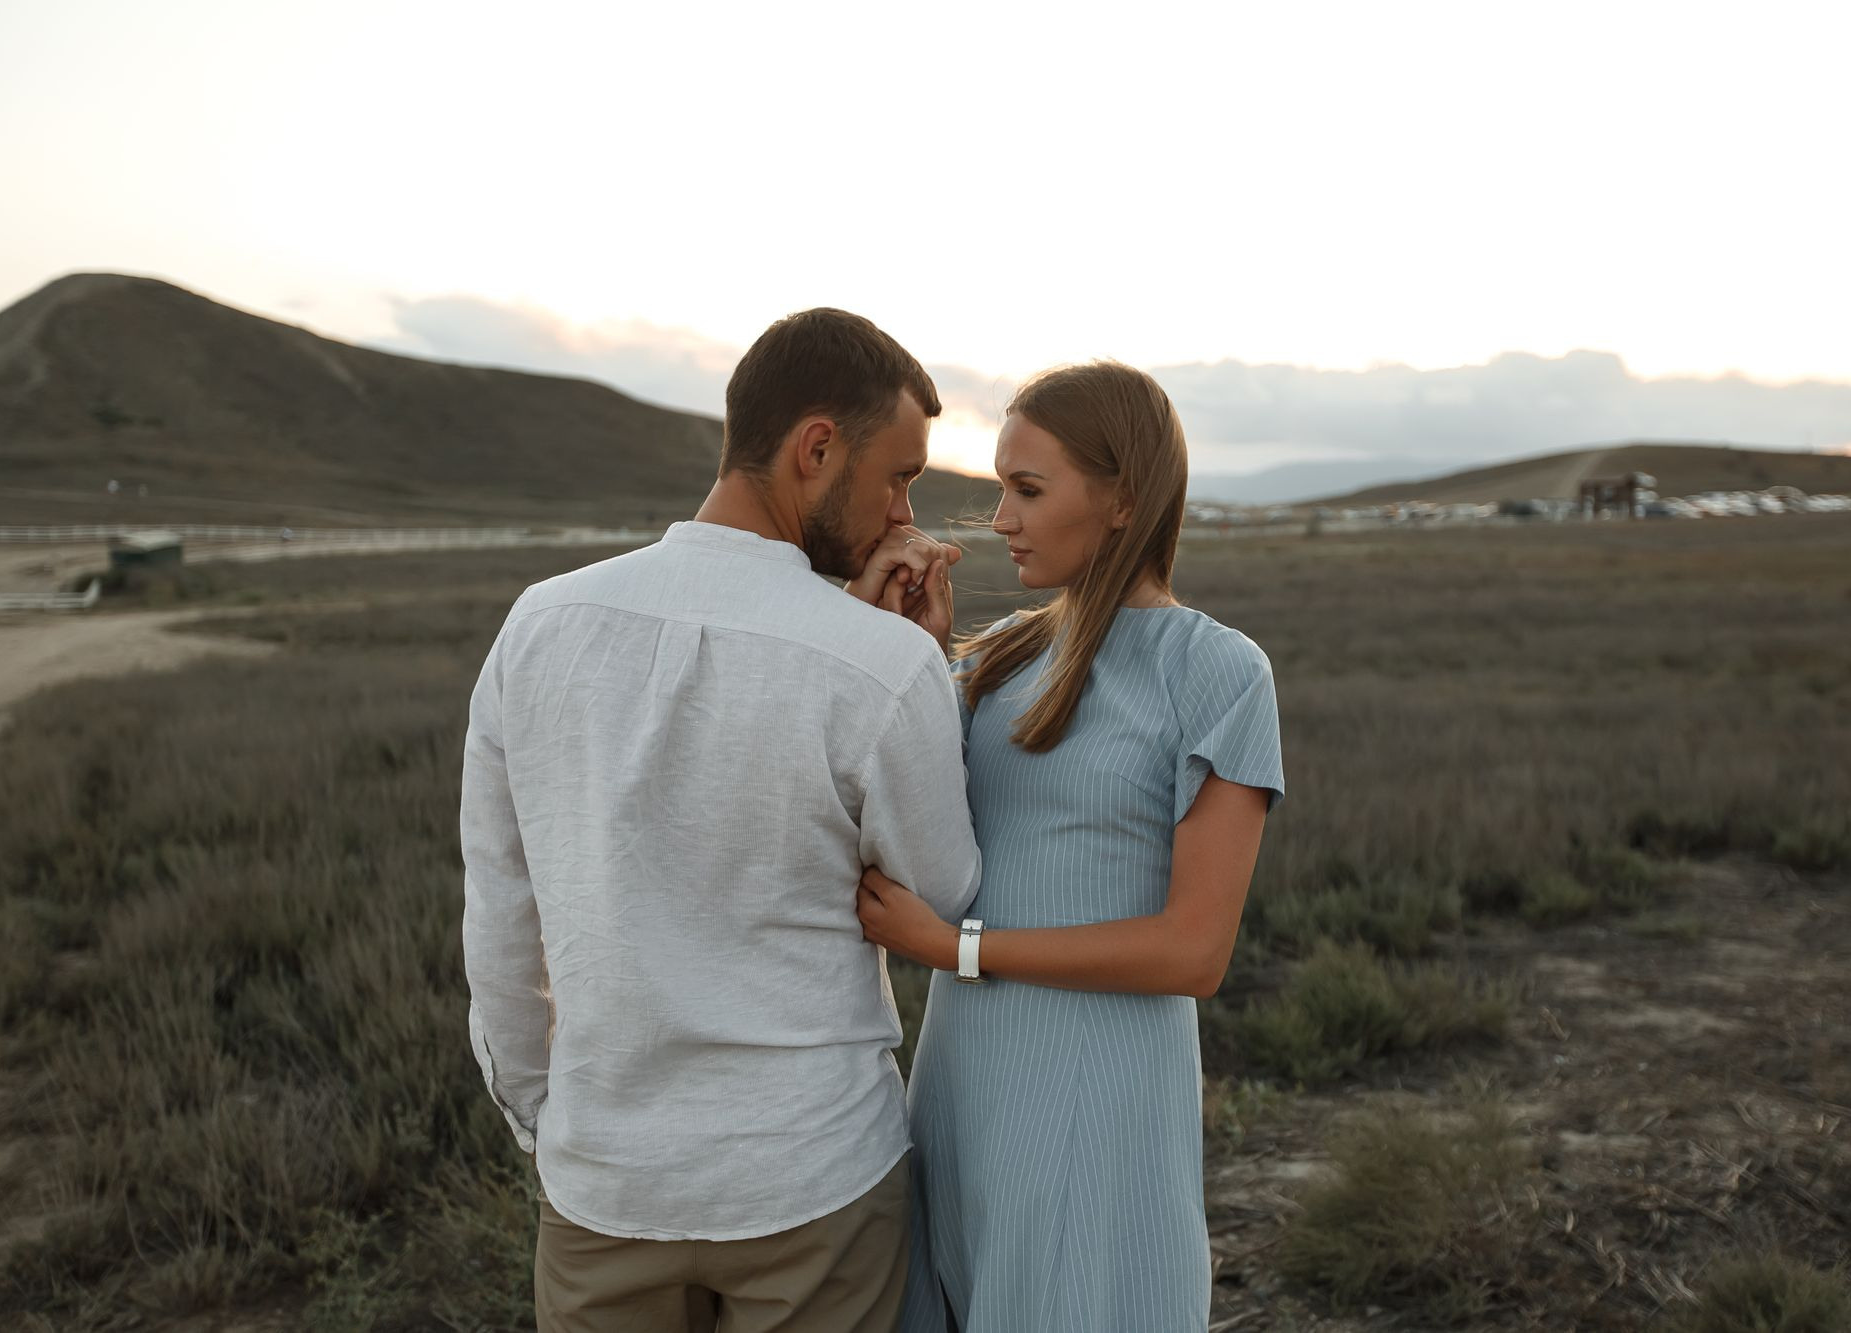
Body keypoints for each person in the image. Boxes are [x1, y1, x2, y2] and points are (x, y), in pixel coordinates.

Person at [460, 308, 982, 1332]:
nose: (902, 511)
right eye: (898, 475)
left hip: (606, 1180)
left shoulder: (539, 624)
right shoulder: (879, 662)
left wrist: (548, 1119)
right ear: (815, 447)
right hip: (813, 1181)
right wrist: (921, 662)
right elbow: (946, 893)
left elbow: (499, 914)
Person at [854, 361, 1286, 1331]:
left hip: (1096, 1092)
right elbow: (913, 831)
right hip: (962, 1077)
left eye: (1027, 490)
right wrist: (912, 658)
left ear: (1123, 496)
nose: (998, 517)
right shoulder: (999, 650)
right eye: (1000, 486)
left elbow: (1193, 951)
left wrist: (957, 949)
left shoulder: (1215, 671)